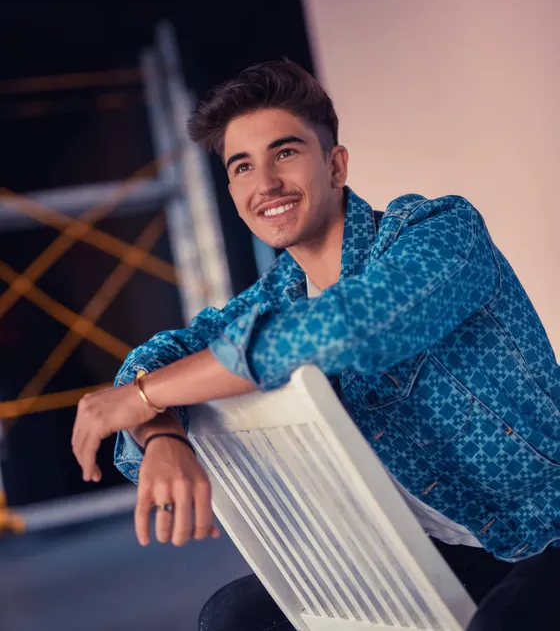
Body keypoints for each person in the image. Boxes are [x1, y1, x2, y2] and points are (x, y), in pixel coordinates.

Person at [71, 60, 560, 630]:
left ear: (335, 164)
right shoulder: (275, 296)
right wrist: (160, 434)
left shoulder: (440, 231)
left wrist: (147, 395)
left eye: (285, 153)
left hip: (542, 531)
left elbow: (350, 324)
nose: (265, 184)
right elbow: (155, 357)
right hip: (433, 554)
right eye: (242, 166)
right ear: (232, 191)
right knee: (234, 617)